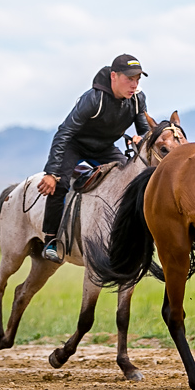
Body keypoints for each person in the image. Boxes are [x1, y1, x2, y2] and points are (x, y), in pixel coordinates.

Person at [37, 54, 151, 262]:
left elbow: (144, 130)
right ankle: (51, 241)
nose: (134, 84)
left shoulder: (137, 99)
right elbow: (64, 133)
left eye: (137, 80)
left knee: (132, 182)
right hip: (76, 146)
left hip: (105, 148)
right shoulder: (94, 99)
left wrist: (140, 138)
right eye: (129, 79)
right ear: (114, 76)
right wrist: (52, 173)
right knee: (60, 184)